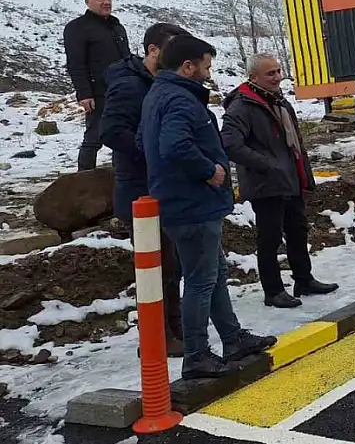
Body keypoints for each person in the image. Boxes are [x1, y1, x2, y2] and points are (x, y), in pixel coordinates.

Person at [139, 34, 276, 379]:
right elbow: (174, 145)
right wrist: (209, 170)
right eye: (206, 65)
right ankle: (197, 354)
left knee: (212, 275)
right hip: (191, 204)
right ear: (188, 66)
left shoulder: (159, 94)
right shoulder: (180, 100)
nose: (207, 72)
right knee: (201, 281)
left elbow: (144, 141)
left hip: (183, 200)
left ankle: (232, 339)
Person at [221, 53, 339, 308]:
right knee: (270, 239)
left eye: (278, 71)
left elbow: (295, 144)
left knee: (297, 231)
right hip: (266, 184)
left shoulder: (280, 102)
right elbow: (230, 144)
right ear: (253, 77)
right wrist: (266, 165)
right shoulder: (242, 106)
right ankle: (273, 291)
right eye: (270, 73)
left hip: (290, 179)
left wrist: (303, 176)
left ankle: (303, 280)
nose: (277, 77)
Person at [100, 22, 188, 357]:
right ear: (153, 51)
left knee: (172, 264)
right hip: (140, 192)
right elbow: (111, 132)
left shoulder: (159, 82)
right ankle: (157, 337)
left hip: (162, 186)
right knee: (157, 266)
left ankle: (176, 329)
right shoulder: (128, 85)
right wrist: (152, 148)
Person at [64, 0, 130, 171]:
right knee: (93, 138)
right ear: (88, 1)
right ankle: (83, 181)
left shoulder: (117, 27)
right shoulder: (78, 28)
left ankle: (122, 176)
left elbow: (126, 59)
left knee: (123, 137)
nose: (106, 2)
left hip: (123, 92)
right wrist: (84, 93)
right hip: (98, 93)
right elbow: (76, 64)